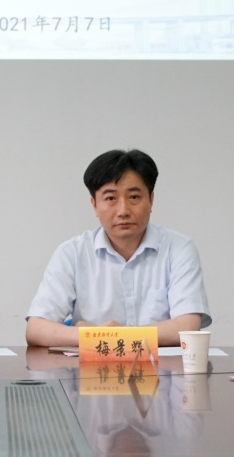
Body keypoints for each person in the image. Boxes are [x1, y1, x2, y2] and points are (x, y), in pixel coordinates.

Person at [25, 149, 211, 348]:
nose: (123, 211)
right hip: (94, 367)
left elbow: (187, 326)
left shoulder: (179, 248)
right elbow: (36, 329)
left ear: (151, 200)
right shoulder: (72, 253)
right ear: (94, 205)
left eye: (134, 197)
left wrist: (112, 336)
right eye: (110, 199)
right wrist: (95, 337)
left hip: (163, 367)